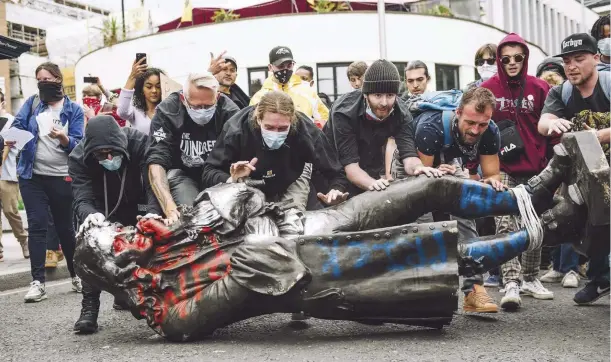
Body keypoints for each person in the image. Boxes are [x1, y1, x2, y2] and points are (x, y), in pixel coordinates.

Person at [410, 87, 502, 312]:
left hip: (450, 162)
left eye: (482, 124)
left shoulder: (489, 131)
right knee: (421, 223)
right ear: (458, 112)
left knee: (465, 215)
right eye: (470, 122)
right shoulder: (430, 126)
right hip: (416, 164)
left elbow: (491, 174)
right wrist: (440, 174)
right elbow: (425, 181)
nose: (475, 130)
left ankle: (473, 290)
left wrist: (490, 184)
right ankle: (423, 291)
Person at [481, 33, 553, 310]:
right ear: (499, 59)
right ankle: (510, 282)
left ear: (525, 58)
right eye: (506, 58)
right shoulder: (489, 88)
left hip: (536, 167)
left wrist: (552, 166)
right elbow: (478, 128)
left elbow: (551, 130)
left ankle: (531, 278)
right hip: (502, 167)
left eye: (518, 58)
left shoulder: (540, 87)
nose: (512, 63)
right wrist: (479, 168)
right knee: (505, 224)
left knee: (533, 223)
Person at [537, 33, 610, 305]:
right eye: (567, 61)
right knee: (594, 223)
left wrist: (599, 135)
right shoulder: (563, 91)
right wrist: (551, 125)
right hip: (591, 172)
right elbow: (543, 123)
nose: (572, 66)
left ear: (596, 58)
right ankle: (600, 278)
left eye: (579, 59)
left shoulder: (609, 84)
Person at [8, 62, 83, 302]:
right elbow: (17, 127)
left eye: (47, 78)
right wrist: (13, 139)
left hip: (62, 176)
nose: (42, 83)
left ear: (59, 80)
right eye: (38, 78)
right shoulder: (31, 103)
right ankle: (37, 283)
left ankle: (76, 275)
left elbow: (79, 144)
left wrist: (63, 138)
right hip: (32, 176)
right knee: (38, 225)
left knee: (65, 229)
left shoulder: (73, 110)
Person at [69, 115, 151, 333]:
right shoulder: (79, 157)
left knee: (147, 246)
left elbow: (154, 182)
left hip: (138, 201)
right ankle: (89, 308)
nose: (107, 158)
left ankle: (134, 297)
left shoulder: (139, 143)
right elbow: (81, 197)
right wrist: (89, 214)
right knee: (90, 245)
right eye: (100, 155)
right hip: (101, 207)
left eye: (112, 152)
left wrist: (152, 212)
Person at [202, 91, 348, 209]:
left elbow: (335, 171)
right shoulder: (236, 130)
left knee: (293, 221)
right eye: (269, 127)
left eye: (283, 128)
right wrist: (232, 178)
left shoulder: (307, 131)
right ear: (258, 119)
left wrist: (336, 189)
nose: (276, 133)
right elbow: (208, 172)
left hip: (293, 176)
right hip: (250, 180)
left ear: (292, 121)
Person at [324, 59, 442, 199]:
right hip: (331, 165)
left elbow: (409, 155)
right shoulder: (343, 113)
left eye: (390, 95)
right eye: (378, 95)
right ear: (366, 94)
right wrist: (373, 184)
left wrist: (419, 168)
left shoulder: (402, 113)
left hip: (369, 164)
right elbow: (350, 167)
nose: (384, 103)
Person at [147, 72, 239, 225]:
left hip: (218, 176)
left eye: (208, 106)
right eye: (196, 106)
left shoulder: (231, 113)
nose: (202, 111)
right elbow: (156, 161)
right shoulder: (167, 112)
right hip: (183, 175)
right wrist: (168, 205)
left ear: (217, 97)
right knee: (192, 219)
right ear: (183, 99)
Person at [250, 46, 329, 127]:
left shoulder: (307, 91)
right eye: (280, 66)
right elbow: (252, 125)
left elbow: (325, 119)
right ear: (270, 67)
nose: (285, 69)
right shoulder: (260, 97)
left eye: (289, 65)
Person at [0, 90, 28, 262]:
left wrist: (10, 144)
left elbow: (18, 148)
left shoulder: (12, 122)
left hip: (5, 172)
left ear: (2, 101)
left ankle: (24, 240)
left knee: (11, 210)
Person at [117, 56, 164, 134]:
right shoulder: (135, 111)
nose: (154, 91)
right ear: (141, 89)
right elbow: (122, 112)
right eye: (149, 87)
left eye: (158, 87)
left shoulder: (169, 110)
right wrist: (131, 78)